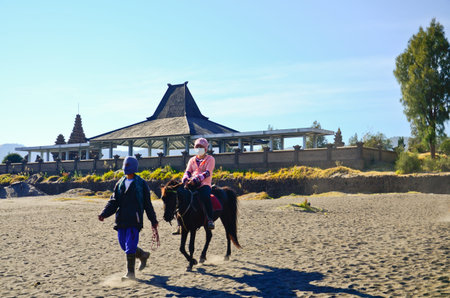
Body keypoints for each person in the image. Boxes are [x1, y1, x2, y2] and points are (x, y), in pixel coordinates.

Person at [98, 156, 158, 281]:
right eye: (125, 166)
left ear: (134, 168)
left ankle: (130, 274)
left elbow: (148, 204)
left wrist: (153, 220)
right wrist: (104, 213)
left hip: (134, 220)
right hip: (121, 220)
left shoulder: (141, 184)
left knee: (130, 245)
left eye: (128, 166)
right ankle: (143, 255)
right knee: (124, 245)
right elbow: (113, 202)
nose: (126, 168)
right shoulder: (119, 183)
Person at [180, 138, 216, 230]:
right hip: (191, 183)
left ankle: (209, 219)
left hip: (204, 184)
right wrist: (185, 179)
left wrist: (196, 179)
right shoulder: (192, 160)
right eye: (197, 147)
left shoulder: (210, 159)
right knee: (181, 195)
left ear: (205, 149)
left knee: (205, 196)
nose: (199, 149)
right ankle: (179, 222)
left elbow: (207, 172)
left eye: (201, 147)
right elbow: (188, 171)